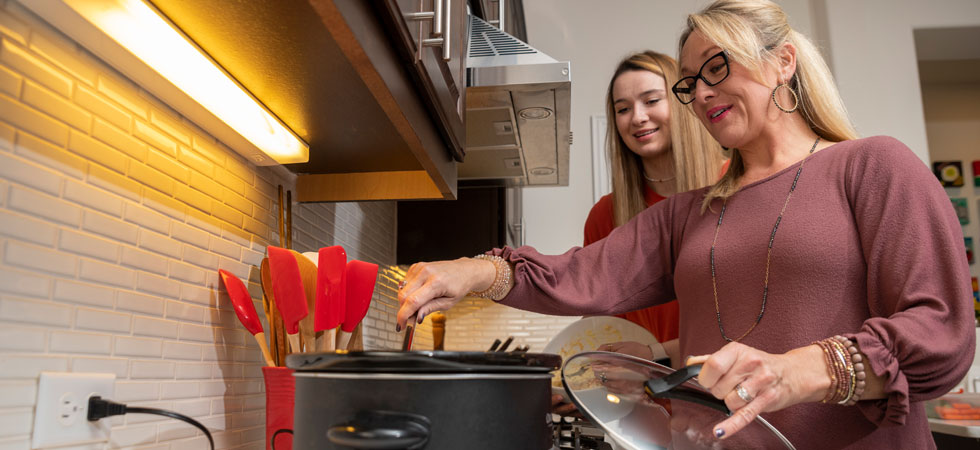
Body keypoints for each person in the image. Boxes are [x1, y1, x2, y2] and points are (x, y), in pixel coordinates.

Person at [395, 0, 974, 448]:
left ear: (783, 61)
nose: (702, 93)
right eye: (691, 83)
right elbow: (581, 273)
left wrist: (806, 369)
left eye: (716, 67)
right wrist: (473, 271)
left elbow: (942, 334)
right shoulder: (688, 213)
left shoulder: (872, 166)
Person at [585, 50, 726, 366]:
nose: (637, 117)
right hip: (644, 402)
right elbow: (599, 320)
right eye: (623, 109)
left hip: (728, 392)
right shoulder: (605, 215)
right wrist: (587, 374)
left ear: (682, 102)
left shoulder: (735, 186)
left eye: (651, 101)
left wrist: (658, 355)